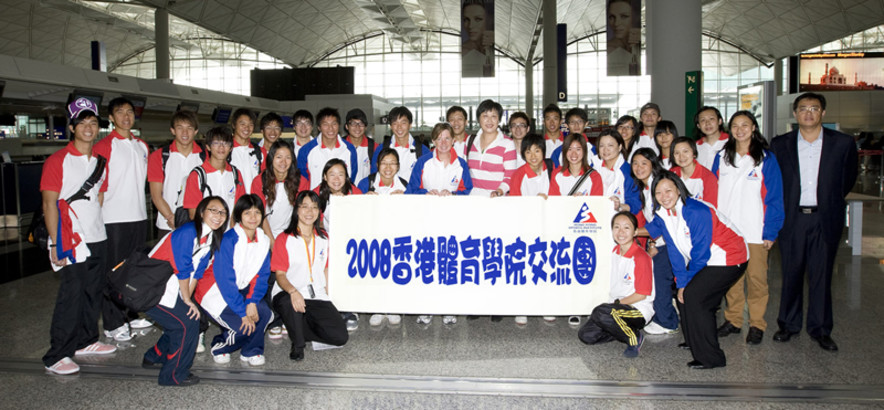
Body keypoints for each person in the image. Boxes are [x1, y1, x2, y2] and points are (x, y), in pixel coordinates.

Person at [769, 92, 858, 351]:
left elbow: (847, 178)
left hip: (825, 217)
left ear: (823, 113)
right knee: (792, 273)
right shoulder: (780, 144)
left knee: (822, 275)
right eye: (803, 108)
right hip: (793, 219)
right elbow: (774, 181)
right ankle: (788, 324)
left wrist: (830, 200)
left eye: (814, 108)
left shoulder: (842, 143)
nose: (809, 113)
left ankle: (820, 329)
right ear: (795, 114)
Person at [640, 171, 748, 369]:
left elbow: (701, 255)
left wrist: (686, 285)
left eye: (668, 191)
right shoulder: (664, 215)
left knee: (696, 299)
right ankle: (693, 341)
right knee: (683, 293)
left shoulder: (696, 211)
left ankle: (712, 358)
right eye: (658, 193)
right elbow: (674, 253)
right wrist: (681, 283)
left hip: (731, 257)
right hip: (708, 259)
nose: (664, 197)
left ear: (679, 190)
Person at [41, 97, 117, 375]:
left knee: (92, 292)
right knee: (71, 295)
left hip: (97, 235)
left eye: (93, 123)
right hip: (70, 238)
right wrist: (54, 242)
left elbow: (98, 198)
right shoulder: (57, 161)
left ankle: (85, 341)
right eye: (82, 122)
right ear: (71, 127)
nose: (88, 127)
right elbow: (49, 204)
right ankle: (57, 353)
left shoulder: (100, 162)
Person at [712, 111, 784, 345]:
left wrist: (770, 232)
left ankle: (756, 323)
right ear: (730, 129)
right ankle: (733, 320)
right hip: (727, 232)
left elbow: (774, 197)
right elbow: (713, 193)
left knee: (757, 279)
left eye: (745, 125)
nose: (740, 129)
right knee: (731, 279)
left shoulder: (765, 158)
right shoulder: (721, 157)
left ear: (754, 127)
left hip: (755, 230)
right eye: (735, 125)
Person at [141, 196, 228, 386]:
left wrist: (185, 299)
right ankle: (173, 376)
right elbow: (183, 268)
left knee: (184, 317)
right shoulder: (188, 232)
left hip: (168, 291)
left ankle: (154, 355)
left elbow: (196, 273)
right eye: (213, 210)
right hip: (151, 290)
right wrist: (187, 300)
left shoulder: (209, 238)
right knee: (187, 323)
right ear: (201, 212)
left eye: (222, 212)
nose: (218, 215)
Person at [93, 97, 152, 341]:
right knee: (114, 272)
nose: (126, 116)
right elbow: (98, 188)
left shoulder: (142, 146)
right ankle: (113, 322)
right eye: (120, 112)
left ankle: (130, 313)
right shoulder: (104, 146)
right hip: (113, 219)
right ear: (111, 117)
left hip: (138, 216)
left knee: (133, 270)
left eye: (130, 112)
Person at [194, 194, 273, 366]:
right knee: (243, 326)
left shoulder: (263, 240)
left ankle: (251, 350)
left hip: (240, 289)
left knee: (264, 313)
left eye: (257, 213)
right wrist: (243, 312)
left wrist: (252, 301)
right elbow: (225, 280)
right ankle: (220, 346)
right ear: (238, 216)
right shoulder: (229, 239)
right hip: (214, 290)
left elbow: (262, 275)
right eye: (247, 213)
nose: (253, 217)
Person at [271, 191, 349, 361]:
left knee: (340, 337)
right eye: (305, 207)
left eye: (314, 207)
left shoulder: (324, 238)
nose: (309, 212)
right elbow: (280, 274)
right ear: (296, 210)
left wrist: (331, 298)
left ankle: (296, 325)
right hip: (289, 292)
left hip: (316, 294)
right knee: (288, 302)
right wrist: (293, 292)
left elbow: (326, 269)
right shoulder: (284, 238)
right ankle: (298, 343)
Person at [578, 211, 653, 357]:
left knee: (601, 312)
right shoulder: (614, 251)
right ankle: (623, 330)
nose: (621, 232)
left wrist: (617, 303)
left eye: (626, 228)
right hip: (615, 309)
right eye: (616, 227)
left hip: (637, 309)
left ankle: (634, 338)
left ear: (635, 232)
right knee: (586, 335)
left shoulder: (641, 257)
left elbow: (642, 294)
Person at [629, 148, 679, 335]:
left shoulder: (661, 184)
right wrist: (651, 243)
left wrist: (632, 232)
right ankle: (665, 314)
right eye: (635, 163)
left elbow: (661, 222)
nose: (639, 167)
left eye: (644, 163)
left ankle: (667, 322)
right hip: (661, 240)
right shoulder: (643, 187)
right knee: (654, 274)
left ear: (653, 164)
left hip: (673, 240)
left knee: (660, 276)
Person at [315, 159, 362, 331]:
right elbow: (311, 221)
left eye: (341, 174)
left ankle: (350, 308)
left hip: (350, 240)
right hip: (324, 241)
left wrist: (346, 205)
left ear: (347, 177)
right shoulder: (316, 193)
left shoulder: (355, 192)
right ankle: (331, 308)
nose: (336, 179)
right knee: (326, 268)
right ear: (325, 177)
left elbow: (362, 220)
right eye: (332, 174)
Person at [148, 110, 205, 237]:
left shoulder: (205, 156)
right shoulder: (159, 157)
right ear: (173, 130)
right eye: (180, 128)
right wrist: (171, 218)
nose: (185, 133)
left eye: (189, 128)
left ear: (195, 131)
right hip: (167, 225)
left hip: (199, 225)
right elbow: (156, 195)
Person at [180, 126, 246, 224]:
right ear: (208, 147)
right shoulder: (197, 175)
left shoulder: (236, 174)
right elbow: (193, 213)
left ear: (231, 147)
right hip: (206, 234)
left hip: (229, 233)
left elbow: (239, 206)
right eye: (216, 143)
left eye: (226, 143)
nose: (221, 147)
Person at [253, 140, 310, 245]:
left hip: (290, 236)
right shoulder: (259, 181)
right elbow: (259, 214)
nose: (283, 162)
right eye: (279, 157)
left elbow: (301, 214)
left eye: (288, 158)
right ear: (271, 158)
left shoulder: (301, 181)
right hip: (264, 236)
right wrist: (272, 244)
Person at [298, 107, 358, 190]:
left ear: (339, 125)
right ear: (319, 127)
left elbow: (351, 177)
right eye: (325, 124)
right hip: (316, 200)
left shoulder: (349, 149)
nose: (330, 128)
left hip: (341, 199)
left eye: (334, 124)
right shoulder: (306, 150)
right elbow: (303, 180)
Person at [465, 99, 517, 197]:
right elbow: (464, 171)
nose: (489, 120)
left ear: (499, 119)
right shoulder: (470, 141)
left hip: (496, 201)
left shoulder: (507, 144)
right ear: (479, 119)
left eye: (494, 116)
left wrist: (499, 191)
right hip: (472, 200)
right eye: (485, 116)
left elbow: (510, 176)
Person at [407, 123, 473, 197]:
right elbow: (412, 188)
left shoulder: (461, 164)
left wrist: (453, 194)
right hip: (427, 206)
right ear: (434, 142)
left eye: (447, 138)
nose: (443, 143)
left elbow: (467, 190)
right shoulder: (422, 162)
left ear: (453, 140)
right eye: (439, 139)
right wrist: (425, 194)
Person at [370, 106, 429, 182]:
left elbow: (429, 179)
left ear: (410, 125)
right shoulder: (381, 149)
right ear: (391, 126)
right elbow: (374, 177)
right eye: (395, 123)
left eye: (403, 123)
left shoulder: (423, 151)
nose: (399, 127)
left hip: (414, 193)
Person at [595, 129, 641, 214]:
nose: (605, 150)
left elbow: (635, 205)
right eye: (602, 146)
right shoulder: (593, 168)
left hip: (620, 221)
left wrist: (619, 205)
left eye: (610, 145)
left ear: (619, 147)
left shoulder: (628, 171)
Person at [549, 133, 604, 197]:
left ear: (584, 151)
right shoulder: (556, 174)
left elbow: (597, 204)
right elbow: (554, 203)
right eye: (570, 149)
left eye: (578, 149)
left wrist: (583, 201)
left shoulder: (594, 176)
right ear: (565, 151)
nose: (574, 154)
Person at [670, 137, 718, 207]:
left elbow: (711, 208)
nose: (681, 156)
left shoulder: (708, 177)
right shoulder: (671, 174)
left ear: (694, 153)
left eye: (685, 151)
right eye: (677, 153)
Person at [229, 108, 262, 194]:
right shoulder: (225, 150)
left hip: (254, 203)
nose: (246, 128)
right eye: (242, 124)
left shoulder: (258, 151)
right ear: (233, 125)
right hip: (232, 204)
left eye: (250, 125)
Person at [509, 133, 553, 199]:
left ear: (543, 151)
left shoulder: (552, 168)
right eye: (528, 152)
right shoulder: (518, 175)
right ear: (523, 154)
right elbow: (515, 202)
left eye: (537, 151)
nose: (533, 156)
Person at [606, 0, 640, 76]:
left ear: (634, 18)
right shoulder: (610, 49)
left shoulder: (639, 44)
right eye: (612, 17)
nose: (616, 23)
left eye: (624, 16)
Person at [461, 0, 494, 77]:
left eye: (478, 19)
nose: (470, 26)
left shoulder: (496, 47)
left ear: (488, 20)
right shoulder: (462, 52)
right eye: (466, 19)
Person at [344, 109, 374, 184]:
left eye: (361, 123)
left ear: (365, 127)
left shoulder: (374, 147)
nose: (357, 127)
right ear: (347, 126)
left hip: (366, 192)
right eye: (353, 123)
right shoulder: (340, 145)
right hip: (344, 192)